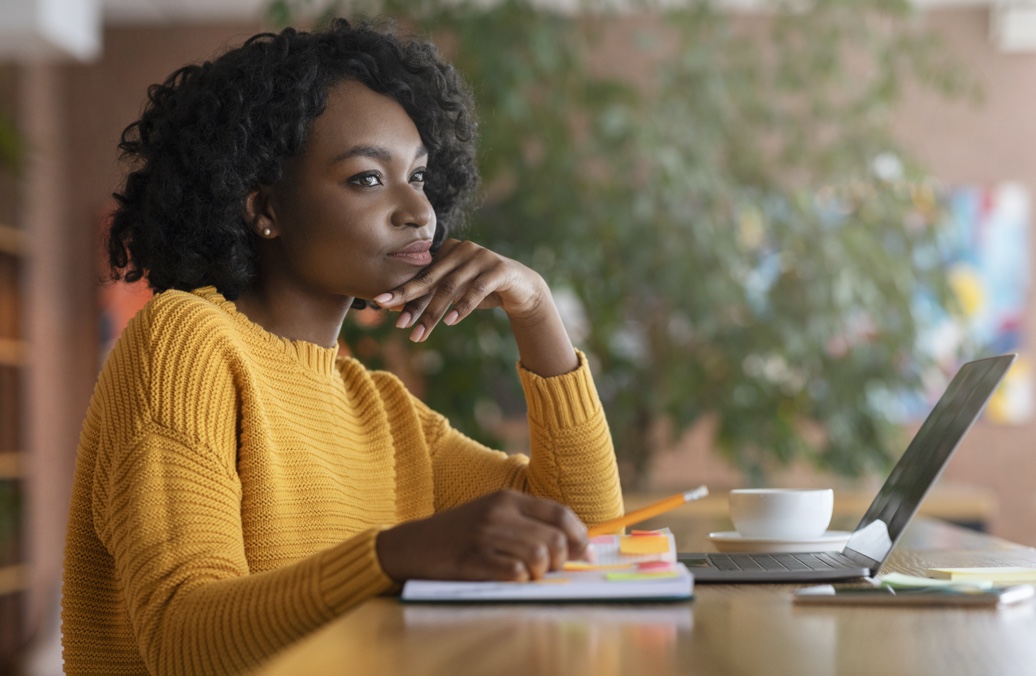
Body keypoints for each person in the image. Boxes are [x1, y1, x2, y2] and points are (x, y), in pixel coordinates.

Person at [61, 18, 624, 676]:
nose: (417, 210)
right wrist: (393, 556)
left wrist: (537, 311)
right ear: (264, 207)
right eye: (366, 178)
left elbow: (586, 532)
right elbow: (183, 639)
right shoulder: (187, 340)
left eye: (417, 176)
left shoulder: (378, 405)